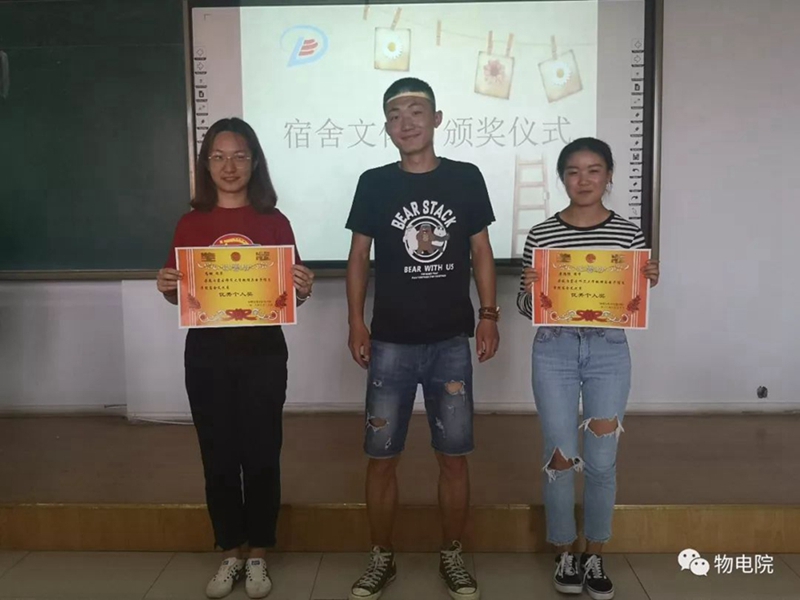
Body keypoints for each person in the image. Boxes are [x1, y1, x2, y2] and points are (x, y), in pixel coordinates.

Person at [345, 77, 499, 600]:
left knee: (453, 456)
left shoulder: (465, 177)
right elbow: (358, 257)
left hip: (450, 341)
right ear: (386, 127)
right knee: (381, 457)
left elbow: (481, 250)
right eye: (395, 115)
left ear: (436, 119)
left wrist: (489, 314)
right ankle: (381, 556)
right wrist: (356, 322)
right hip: (389, 342)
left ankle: (452, 554)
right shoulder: (373, 182)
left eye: (415, 111)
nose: (405, 122)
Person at [156, 117, 314, 599]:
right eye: (219, 157)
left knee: (263, 452)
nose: (230, 166)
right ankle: (229, 551)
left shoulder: (274, 222)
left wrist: (302, 287)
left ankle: (259, 552)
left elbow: (289, 292)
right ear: (206, 164)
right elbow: (181, 294)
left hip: (263, 353)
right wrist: (166, 286)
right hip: (207, 355)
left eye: (240, 156)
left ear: (255, 162)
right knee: (217, 453)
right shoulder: (190, 223)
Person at [516, 137, 659, 600]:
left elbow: (631, 302)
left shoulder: (628, 235)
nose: (583, 180)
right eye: (573, 171)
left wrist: (645, 282)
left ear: (609, 176)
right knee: (559, 456)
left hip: (608, 350)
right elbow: (526, 307)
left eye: (594, 170)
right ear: (562, 178)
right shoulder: (541, 235)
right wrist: (530, 290)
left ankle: (594, 553)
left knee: (601, 459)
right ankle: (564, 551)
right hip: (553, 349)